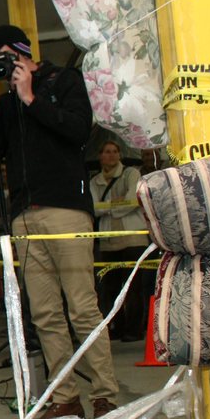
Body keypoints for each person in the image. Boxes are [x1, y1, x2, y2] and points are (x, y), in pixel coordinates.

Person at [0, 24, 119, 419]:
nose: (3, 66)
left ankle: (105, 395)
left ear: (23, 51)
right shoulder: (4, 104)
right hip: (24, 215)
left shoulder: (63, 81)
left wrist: (31, 97)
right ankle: (65, 396)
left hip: (65, 208)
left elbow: (77, 132)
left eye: (6, 56)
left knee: (82, 308)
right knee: (44, 315)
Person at [90, 139, 149, 342]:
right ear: (100, 155)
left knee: (134, 288)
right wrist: (115, 204)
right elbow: (94, 208)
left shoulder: (131, 174)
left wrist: (108, 207)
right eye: (107, 151)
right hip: (108, 241)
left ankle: (134, 329)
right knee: (111, 288)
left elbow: (133, 201)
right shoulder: (95, 181)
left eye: (115, 151)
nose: (112, 155)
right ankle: (118, 325)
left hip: (133, 238)